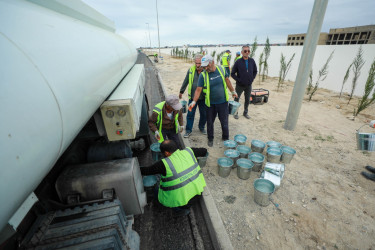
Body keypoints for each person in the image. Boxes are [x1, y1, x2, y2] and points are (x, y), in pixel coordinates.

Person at [141, 140, 207, 216]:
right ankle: (183, 209)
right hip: (197, 195)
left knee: (157, 188)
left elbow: (147, 171)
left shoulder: (164, 164)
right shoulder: (189, 151)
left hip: (182, 203)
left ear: (166, 153)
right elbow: (204, 151)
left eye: (163, 153)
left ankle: (179, 210)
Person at [189, 55, 238, 147]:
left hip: (223, 102)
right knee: (210, 122)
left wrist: (233, 91)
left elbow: (227, 80)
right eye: (204, 66)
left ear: (212, 62)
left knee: (224, 122)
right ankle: (210, 138)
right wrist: (194, 101)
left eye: (207, 65)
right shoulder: (203, 75)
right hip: (210, 104)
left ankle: (225, 137)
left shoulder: (222, 69)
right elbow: (198, 90)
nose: (206, 68)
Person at [179, 54, 207, 138]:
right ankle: (188, 130)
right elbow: (186, 80)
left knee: (204, 114)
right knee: (190, 114)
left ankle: (201, 127)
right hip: (192, 98)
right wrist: (181, 91)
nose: (198, 65)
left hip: (203, 98)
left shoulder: (207, 71)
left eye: (199, 63)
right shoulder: (191, 70)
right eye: (196, 63)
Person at [231, 45, 258, 119]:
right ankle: (235, 113)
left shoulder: (252, 61)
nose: (247, 52)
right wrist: (239, 80)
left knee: (247, 99)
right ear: (242, 52)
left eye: (248, 51)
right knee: (237, 99)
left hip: (249, 85)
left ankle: (245, 113)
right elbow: (232, 73)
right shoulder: (238, 62)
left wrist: (252, 79)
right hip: (239, 85)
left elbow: (255, 71)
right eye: (245, 51)